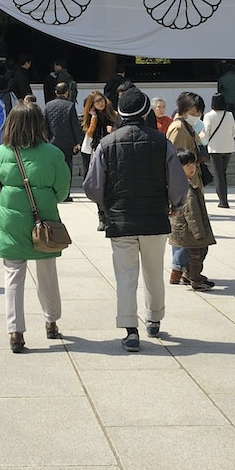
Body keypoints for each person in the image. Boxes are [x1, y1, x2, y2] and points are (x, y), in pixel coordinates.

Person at [84, 84, 187, 351]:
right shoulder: (161, 142)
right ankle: (154, 319)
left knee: (126, 276)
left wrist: (107, 206)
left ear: (119, 112)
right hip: (154, 218)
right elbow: (177, 183)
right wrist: (175, 205)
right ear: (145, 113)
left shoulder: (106, 144)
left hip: (120, 220)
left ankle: (131, 329)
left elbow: (92, 186)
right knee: (154, 272)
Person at [0, 101, 69, 352]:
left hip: (10, 221)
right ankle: (51, 320)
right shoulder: (53, 153)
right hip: (43, 219)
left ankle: (15, 331)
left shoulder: (1, 152)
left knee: (13, 274)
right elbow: (63, 190)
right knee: (47, 272)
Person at [166, 91, 205, 282]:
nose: (197, 116)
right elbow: (175, 159)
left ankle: (183, 269)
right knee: (184, 229)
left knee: (185, 228)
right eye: (194, 112)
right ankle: (178, 268)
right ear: (184, 110)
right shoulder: (178, 129)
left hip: (190, 180)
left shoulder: (188, 127)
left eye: (199, 112)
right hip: (184, 185)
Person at [169, 147, 217, 289]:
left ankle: (187, 275)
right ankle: (195, 279)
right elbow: (191, 213)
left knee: (194, 253)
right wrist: (198, 232)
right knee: (197, 254)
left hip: (184, 229)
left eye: (194, 164)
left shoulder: (182, 184)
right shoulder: (186, 188)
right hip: (189, 230)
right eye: (187, 165)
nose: (192, 168)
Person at [81, 90, 117, 231]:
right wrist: (94, 117)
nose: (101, 103)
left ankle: (110, 216)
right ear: (92, 104)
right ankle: (102, 216)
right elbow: (89, 133)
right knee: (98, 184)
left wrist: (113, 130)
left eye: (101, 100)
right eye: (97, 101)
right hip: (97, 153)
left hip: (112, 152)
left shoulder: (113, 114)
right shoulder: (91, 117)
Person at [42, 81, 81, 200]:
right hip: (67, 144)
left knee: (53, 169)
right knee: (66, 169)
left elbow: (45, 125)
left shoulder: (48, 105)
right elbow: (75, 125)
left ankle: (53, 191)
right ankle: (65, 194)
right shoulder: (69, 106)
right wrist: (77, 142)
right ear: (67, 92)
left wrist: (46, 139)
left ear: (55, 92)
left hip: (53, 142)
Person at [202, 92, 235, 208]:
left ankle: (223, 201)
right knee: (223, 173)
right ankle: (224, 199)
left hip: (214, 148)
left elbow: (205, 133)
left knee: (218, 174)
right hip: (228, 147)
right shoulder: (229, 114)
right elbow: (234, 132)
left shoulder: (208, 116)